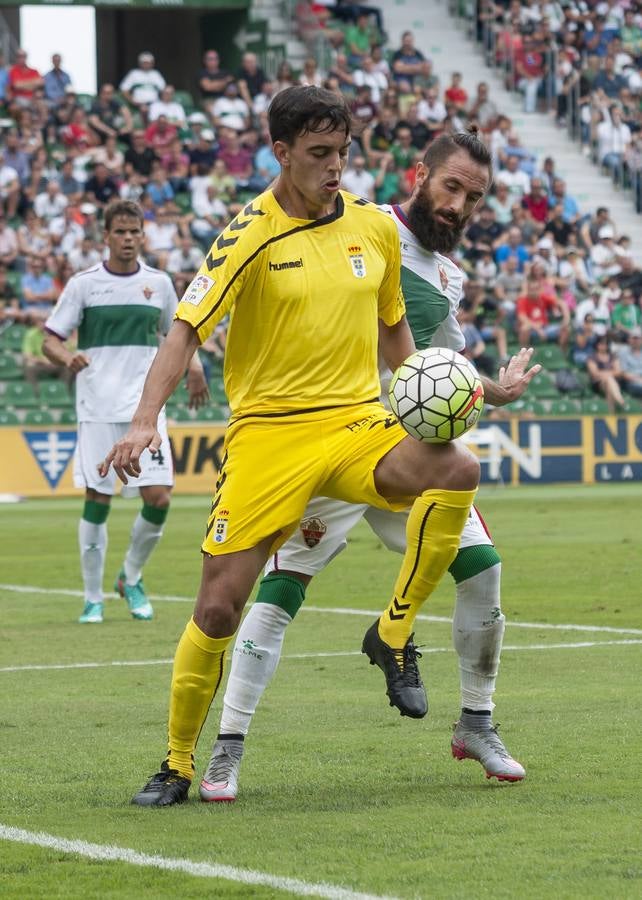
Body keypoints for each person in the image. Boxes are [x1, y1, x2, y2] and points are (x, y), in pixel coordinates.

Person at [100, 86, 483, 807]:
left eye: (342, 153)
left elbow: (397, 336)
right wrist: (143, 421)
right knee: (218, 608)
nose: (335, 167)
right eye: (318, 155)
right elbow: (184, 329)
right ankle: (178, 763)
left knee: (457, 465)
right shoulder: (249, 232)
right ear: (280, 153)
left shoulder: (372, 229)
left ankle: (392, 630)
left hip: (354, 425)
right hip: (269, 437)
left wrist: (437, 394)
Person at [199, 131, 537, 803]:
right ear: (420, 174)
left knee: (483, 571)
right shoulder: (362, 226)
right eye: (451, 188)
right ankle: (227, 747)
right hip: (329, 440)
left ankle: (476, 722)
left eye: (475, 198)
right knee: (278, 591)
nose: (461, 206)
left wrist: (494, 389)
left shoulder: (449, 276)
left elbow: (444, 371)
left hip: (404, 456)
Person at [42, 200, 208, 625]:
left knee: (159, 497)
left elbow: (180, 333)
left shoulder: (159, 282)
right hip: (97, 407)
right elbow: (50, 339)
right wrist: (67, 358)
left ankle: (130, 578)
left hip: (144, 410)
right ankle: (92, 597)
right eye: (120, 232)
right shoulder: (84, 284)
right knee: (98, 498)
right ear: (106, 236)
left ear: (143, 236)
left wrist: (194, 368)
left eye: (135, 232)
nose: (129, 239)